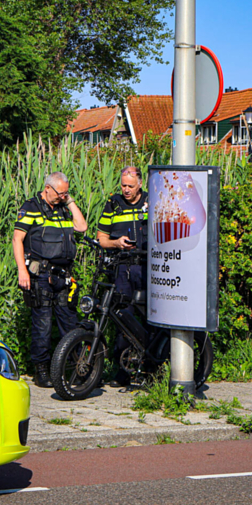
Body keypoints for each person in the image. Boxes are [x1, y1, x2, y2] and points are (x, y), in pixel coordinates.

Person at [13, 172, 87, 387]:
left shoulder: (64, 208)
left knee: (69, 323)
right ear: (47, 188)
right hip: (41, 275)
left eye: (66, 192)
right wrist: (22, 271)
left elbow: (82, 227)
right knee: (42, 325)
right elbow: (17, 239)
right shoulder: (31, 207)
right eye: (60, 193)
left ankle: (76, 368)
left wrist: (70, 201)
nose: (63, 196)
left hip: (63, 275)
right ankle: (41, 370)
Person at [96, 166, 148, 387]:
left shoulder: (152, 200)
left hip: (147, 268)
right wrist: (116, 243)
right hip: (122, 268)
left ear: (140, 185)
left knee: (149, 317)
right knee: (121, 317)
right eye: (123, 185)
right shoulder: (113, 204)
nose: (126, 190)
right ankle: (122, 371)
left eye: (130, 186)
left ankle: (148, 368)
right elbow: (101, 238)